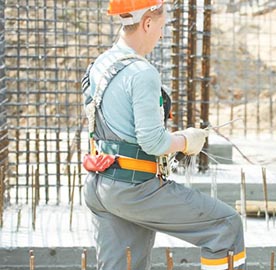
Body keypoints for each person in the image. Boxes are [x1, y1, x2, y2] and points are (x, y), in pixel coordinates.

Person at [81, 0, 246, 269]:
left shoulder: (100, 64)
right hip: (135, 188)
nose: (161, 34)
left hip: (101, 186)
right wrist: (186, 140)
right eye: (161, 26)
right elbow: (153, 142)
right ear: (147, 23)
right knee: (225, 227)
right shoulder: (141, 72)